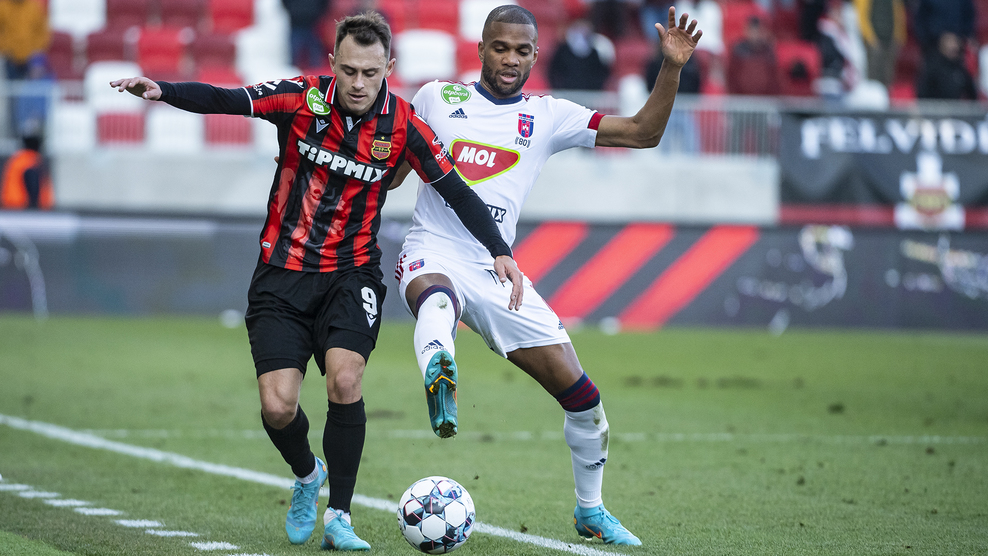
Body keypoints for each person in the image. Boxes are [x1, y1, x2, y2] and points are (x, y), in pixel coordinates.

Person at [110, 12, 522, 551]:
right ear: (332, 63)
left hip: (352, 274)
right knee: (278, 407)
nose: (358, 84)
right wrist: (164, 90)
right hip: (281, 275)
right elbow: (228, 99)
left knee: (345, 381)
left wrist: (499, 250)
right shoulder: (303, 98)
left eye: (370, 73)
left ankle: (340, 517)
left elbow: (458, 190)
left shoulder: (405, 126)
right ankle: (308, 474)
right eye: (348, 71)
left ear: (389, 69)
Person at [391, 4, 701, 546]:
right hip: (432, 248)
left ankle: (591, 510)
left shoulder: (549, 114)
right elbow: (391, 173)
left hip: (498, 270)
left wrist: (670, 67)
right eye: (500, 48)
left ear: (536, 56)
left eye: (522, 51)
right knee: (437, 303)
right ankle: (440, 370)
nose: (510, 59)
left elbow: (642, 133)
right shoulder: (436, 98)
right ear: (481, 49)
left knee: (585, 401)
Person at [547, 19, 614, 90]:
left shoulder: (594, 53)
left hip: (589, 93)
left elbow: (602, 74)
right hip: (566, 92)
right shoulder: (562, 51)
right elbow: (554, 72)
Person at [854, 0, 906, 87]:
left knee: (888, 76)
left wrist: (899, 37)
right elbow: (861, 17)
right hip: (873, 42)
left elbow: (898, 14)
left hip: (890, 41)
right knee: (873, 77)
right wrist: (870, 39)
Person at [916, 31, 977, 100]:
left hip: (955, 106)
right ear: (941, 46)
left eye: (955, 42)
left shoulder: (961, 69)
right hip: (935, 105)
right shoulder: (932, 68)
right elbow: (923, 93)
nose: (954, 46)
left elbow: (972, 94)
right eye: (950, 42)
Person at [1, 132, 52, 210]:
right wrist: (35, 207)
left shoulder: (17, 159)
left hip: (11, 205)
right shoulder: (31, 161)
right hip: (23, 207)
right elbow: (33, 186)